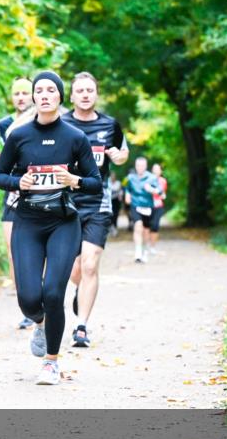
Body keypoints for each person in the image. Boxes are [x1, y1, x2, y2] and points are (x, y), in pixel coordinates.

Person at [0, 71, 101, 385]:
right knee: (28, 298)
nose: (43, 95)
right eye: (38, 90)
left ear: (59, 96)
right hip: (27, 221)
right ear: (34, 97)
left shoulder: (75, 138)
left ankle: (51, 362)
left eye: (50, 90)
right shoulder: (19, 136)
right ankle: (39, 323)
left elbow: (95, 184)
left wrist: (75, 181)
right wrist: (18, 181)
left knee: (53, 292)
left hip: (63, 223)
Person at [63, 72, 129, 348]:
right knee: (74, 268)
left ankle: (81, 326)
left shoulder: (109, 125)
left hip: (98, 200)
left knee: (90, 263)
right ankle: (79, 288)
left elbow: (124, 153)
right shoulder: (61, 123)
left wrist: (118, 156)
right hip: (65, 200)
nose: (86, 94)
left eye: (90, 90)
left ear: (96, 94)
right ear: (72, 96)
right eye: (80, 90)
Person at [0, 77, 36, 330]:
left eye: (25, 93)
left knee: (40, 249)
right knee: (13, 251)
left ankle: (41, 297)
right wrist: (7, 177)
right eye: (16, 93)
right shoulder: (3, 125)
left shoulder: (43, 121)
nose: (21, 97)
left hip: (40, 194)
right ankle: (26, 307)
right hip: (12, 194)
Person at [124, 156, 162, 263]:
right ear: (135, 166)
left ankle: (145, 250)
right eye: (138, 166)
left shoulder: (152, 178)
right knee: (138, 225)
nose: (140, 168)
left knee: (146, 230)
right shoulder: (131, 178)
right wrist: (127, 196)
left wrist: (152, 189)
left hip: (148, 206)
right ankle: (138, 252)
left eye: (142, 166)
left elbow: (160, 191)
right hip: (135, 205)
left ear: (145, 166)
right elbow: (128, 189)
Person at [149, 163, 168, 253]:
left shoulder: (163, 181)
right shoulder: (147, 179)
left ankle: (152, 246)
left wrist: (157, 192)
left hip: (158, 206)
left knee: (155, 226)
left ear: (161, 171)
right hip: (148, 205)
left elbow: (161, 193)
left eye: (157, 169)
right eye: (154, 169)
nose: (156, 171)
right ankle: (145, 245)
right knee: (146, 226)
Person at [109, 171, 124, 237]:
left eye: (114, 176)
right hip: (109, 201)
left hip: (116, 201)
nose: (113, 177)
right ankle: (111, 227)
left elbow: (120, 191)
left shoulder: (118, 183)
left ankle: (114, 227)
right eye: (112, 176)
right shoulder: (108, 183)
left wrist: (120, 196)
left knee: (115, 214)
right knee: (110, 215)